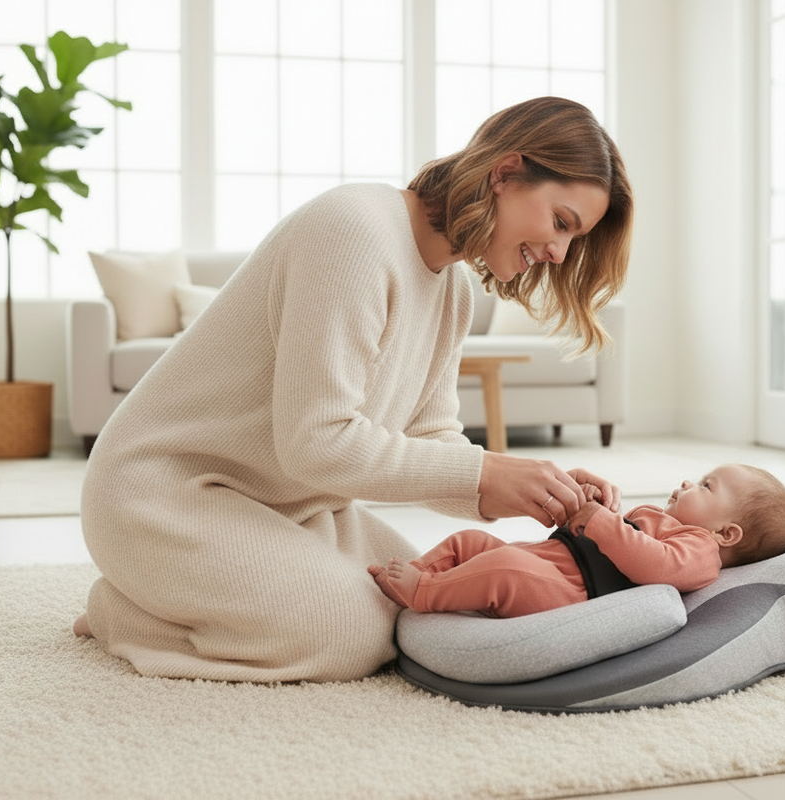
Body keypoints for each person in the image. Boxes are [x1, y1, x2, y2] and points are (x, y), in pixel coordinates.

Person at [72, 97, 635, 682]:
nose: (559, 253)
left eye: (574, 240)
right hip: (160, 494)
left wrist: (532, 486)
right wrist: (488, 476)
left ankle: (194, 599)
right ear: (506, 173)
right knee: (349, 633)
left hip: (293, 504)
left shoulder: (454, 291)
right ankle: (123, 611)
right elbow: (316, 442)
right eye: (561, 223)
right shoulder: (354, 230)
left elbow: (430, 437)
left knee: (426, 600)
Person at [368, 464, 785, 618]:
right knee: (472, 540)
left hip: (571, 590)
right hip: (555, 558)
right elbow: (615, 537)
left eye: (706, 486)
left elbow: (653, 565)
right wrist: (593, 509)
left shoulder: (700, 551)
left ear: (726, 534)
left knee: (504, 572)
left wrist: (603, 524)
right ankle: (424, 571)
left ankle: (424, 592)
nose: (688, 482)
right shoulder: (657, 519)